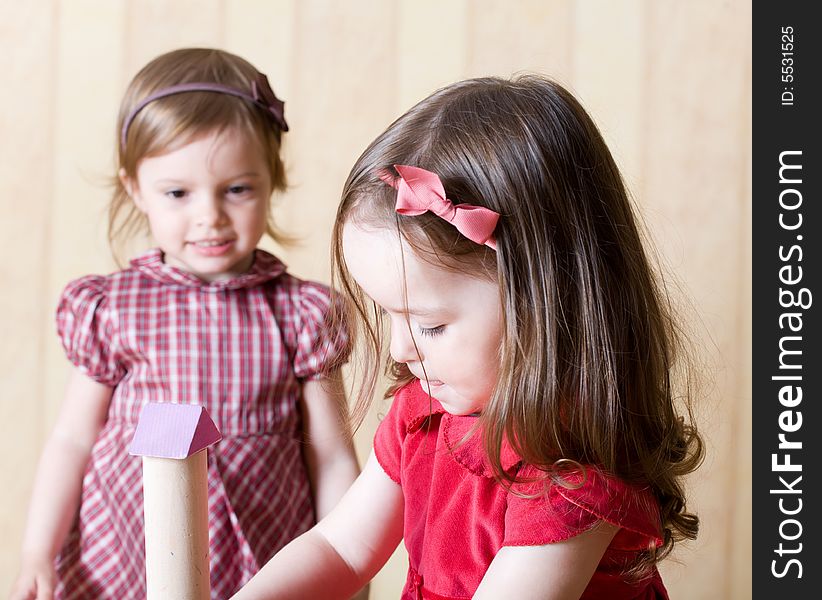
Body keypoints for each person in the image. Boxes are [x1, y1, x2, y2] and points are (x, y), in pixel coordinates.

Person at [231, 74, 705, 600]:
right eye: (388, 315)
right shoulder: (423, 414)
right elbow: (342, 550)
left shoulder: (570, 474)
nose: (398, 350)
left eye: (429, 324)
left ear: (542, 303)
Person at [11, 48, 362, 600]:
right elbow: (73, 438)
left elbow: (331, 452)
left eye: (237, 189)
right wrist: (37, 550)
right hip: (133, 549)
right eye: (178, 193)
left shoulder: (301, 314)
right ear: (136, 189)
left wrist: (349, 565)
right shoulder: (113, 308)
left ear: (271, 178)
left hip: (268, 546)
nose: (209, 216)